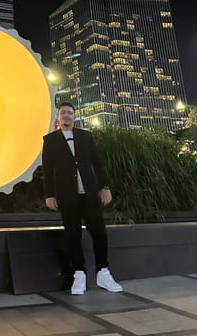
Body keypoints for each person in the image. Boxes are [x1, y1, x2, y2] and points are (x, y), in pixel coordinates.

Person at [42, 101, 123, 295]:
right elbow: (47, 169)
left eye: (70, 113)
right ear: (58, 117)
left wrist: (104, 187)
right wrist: (49, 194)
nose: (67, 116)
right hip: (67, 195)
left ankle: (103, 272)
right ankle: (79, 274)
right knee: (72, 235)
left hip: (89, 194)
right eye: (63, 113)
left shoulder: (85, 137)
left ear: (75, 116)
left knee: (99, 233)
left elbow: (97, 162)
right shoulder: (50, 140)